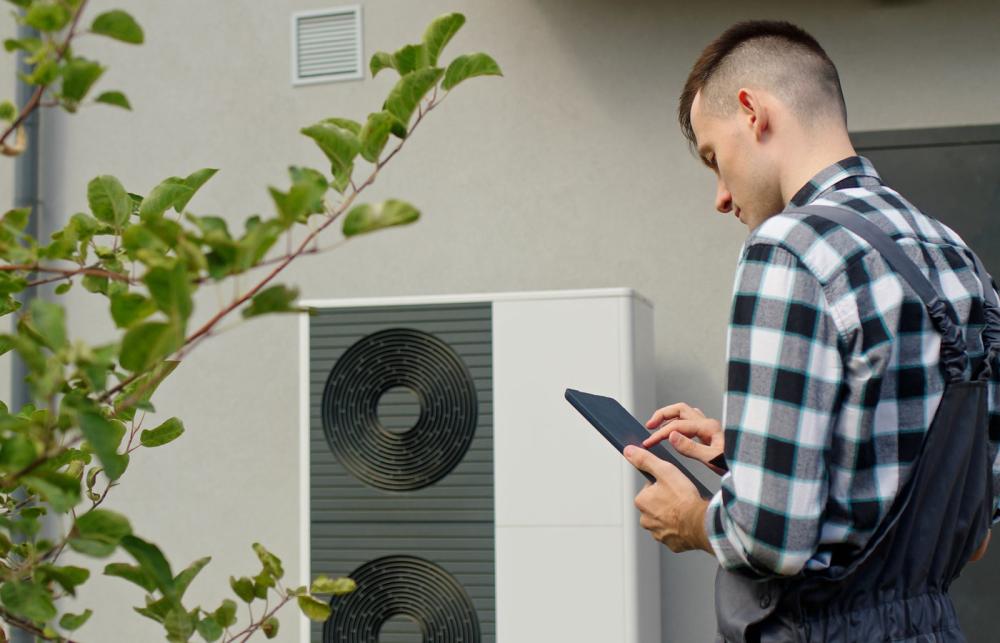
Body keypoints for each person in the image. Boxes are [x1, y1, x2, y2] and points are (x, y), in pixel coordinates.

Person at [622, 20, 1000, 642]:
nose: (719, 196)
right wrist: (743, 453)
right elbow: (972, 531)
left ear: (752, 112)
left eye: (715, 158)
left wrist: (693, 520)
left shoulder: (790, 247)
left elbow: (769, 540)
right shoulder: (957, 256)